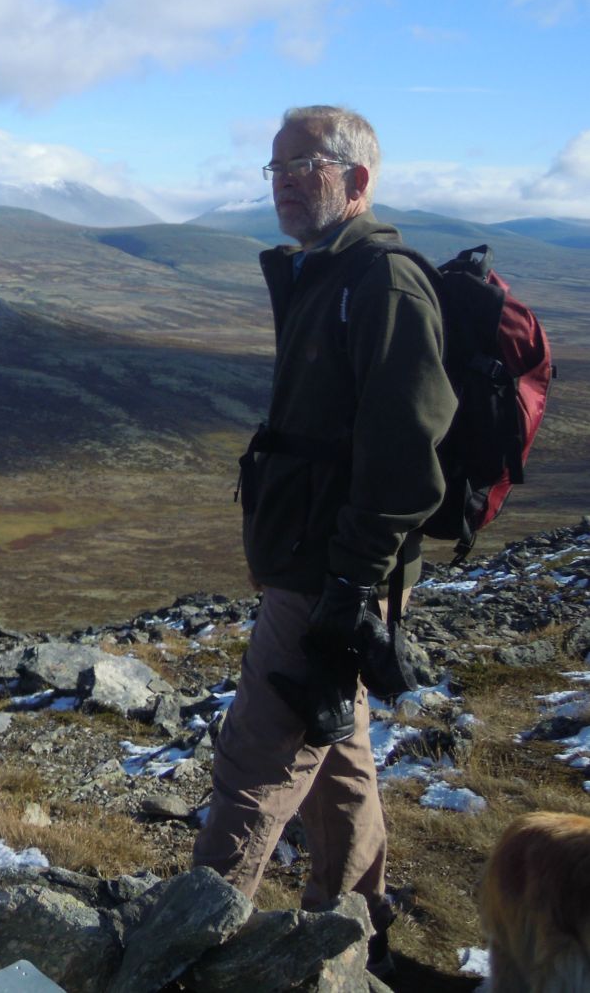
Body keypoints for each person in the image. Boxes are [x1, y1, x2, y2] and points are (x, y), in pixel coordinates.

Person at [191, 105, 457, 970]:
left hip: (330, 573)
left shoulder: (381, 283)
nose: (283, 183)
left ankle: (189, 948)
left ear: (359, 178)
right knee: (338, 761)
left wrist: (348, 588)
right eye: (274, 168)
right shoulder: (325, 273)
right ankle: (356, 933)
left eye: (303, 165)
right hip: (316, 564)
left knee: (255, 767)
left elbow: (408, 461)